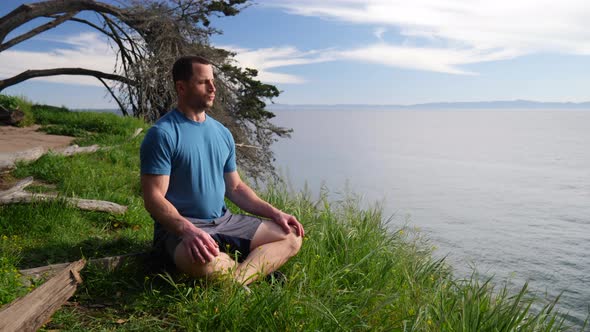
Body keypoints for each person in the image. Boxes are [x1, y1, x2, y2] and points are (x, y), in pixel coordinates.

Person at [140, 56, 304, 286]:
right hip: (181, 227)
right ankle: (254, 270)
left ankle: (236, 280)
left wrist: (275, 213)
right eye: (203, 82)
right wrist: (188, 231)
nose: (213, 88)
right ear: (181, 87)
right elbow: (153, 198)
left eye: (213, 81)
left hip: (225, 222)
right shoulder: (163, 134)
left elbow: (235, 187)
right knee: (200, 259)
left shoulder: (222, 133)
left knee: (291, 236)